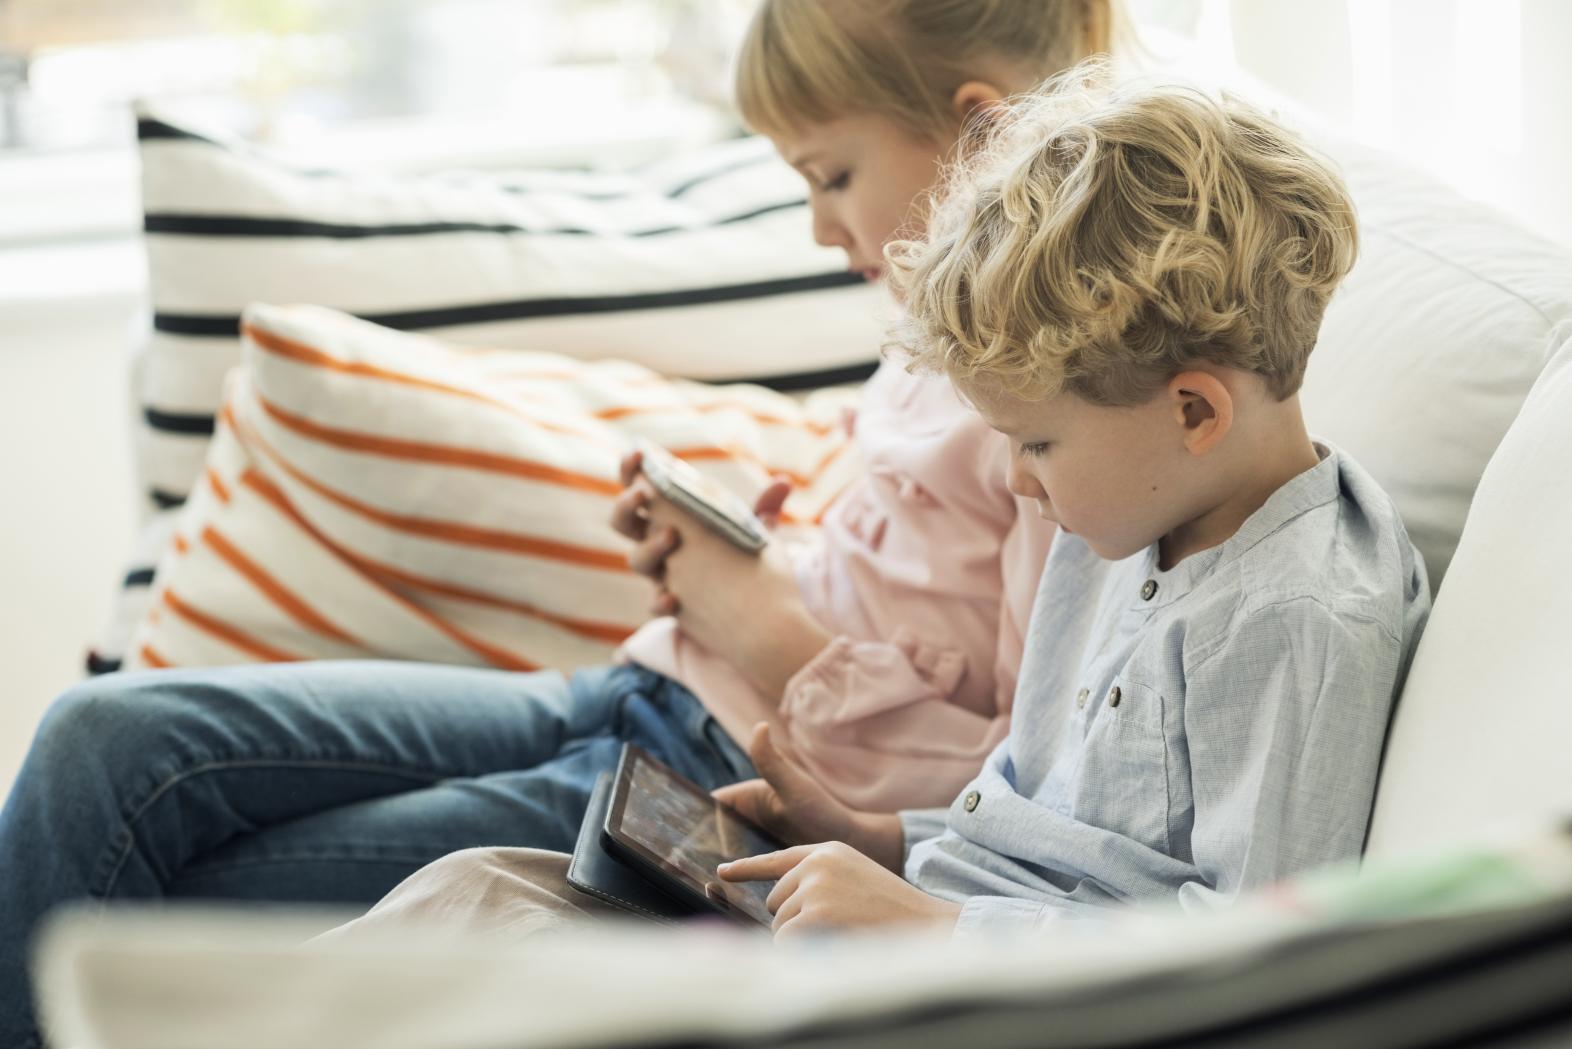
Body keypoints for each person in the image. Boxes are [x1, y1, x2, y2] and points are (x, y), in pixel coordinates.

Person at [0, 2, 1122, 1044]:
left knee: (152, 887)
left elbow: (1004, 791)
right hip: (630, 690)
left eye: (832, 174)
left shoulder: (1049, 412)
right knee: (102, 740)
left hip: (713, 788)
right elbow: (906, 569)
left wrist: (767, 628)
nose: (821, 224)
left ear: (979, 135)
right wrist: (744, 547)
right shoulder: (928, 332)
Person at [320, 65, 1431, 942]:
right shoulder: (1130, 521)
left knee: (488, 931)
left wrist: (936, 929)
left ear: (1194, 409)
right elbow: (1038, 817)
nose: (1016, 482)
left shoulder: (1299, 618)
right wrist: (879, 839)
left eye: (1035, 440)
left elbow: (1250, 954)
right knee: (468, 887)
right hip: (910, 917)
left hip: (964, 983)